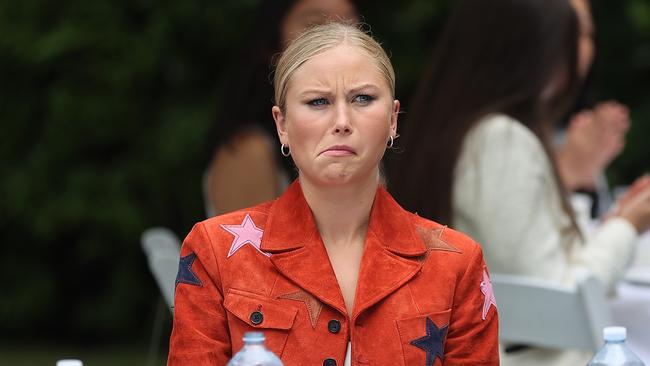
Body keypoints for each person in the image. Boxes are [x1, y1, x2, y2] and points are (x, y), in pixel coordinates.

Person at [168, 23, 499, 365]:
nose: (342, 120)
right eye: (318, 102)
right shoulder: (215, 252)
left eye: (363, 99)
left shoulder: (457, 263)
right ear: (282, 125)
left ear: (393, 120)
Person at [387, 0, 650, 364]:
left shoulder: (452, 128)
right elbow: (557, 303)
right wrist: (627, 224)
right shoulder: (500, 140)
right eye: (570, 39)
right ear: (536, 51)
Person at [204, 0, 357, 217]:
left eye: (350, 25)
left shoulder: (364, 134)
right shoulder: (250, 152)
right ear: (272, 44)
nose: (338, 39)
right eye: (314, 25)